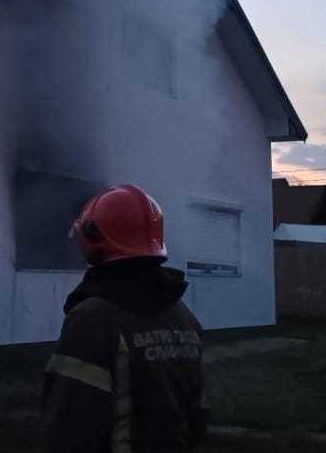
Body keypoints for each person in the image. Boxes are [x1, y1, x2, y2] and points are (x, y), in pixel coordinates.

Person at [42, 185, 206, 453]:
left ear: (94, 237)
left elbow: (69, 424)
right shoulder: (183, 317)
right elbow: (197, 416)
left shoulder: (92, 320)